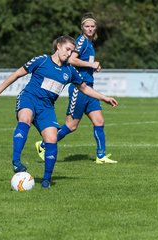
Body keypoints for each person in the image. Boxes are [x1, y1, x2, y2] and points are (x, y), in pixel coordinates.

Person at [0, 35, 118, 188]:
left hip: (47, 107)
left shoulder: (70, 71)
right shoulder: (41, 60)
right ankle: (16, 161)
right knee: (25, 118)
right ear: (58, 46)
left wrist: (104, 97)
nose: (69, 54)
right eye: (67, 49)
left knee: (51, 138)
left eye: (72, 51)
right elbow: (18, 73)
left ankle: (46, 181)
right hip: (29, 98)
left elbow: (84, 88)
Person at [35, 13, 117, 164]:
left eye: (92, 26)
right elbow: (72, 59)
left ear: (96, 27)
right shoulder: (81, 41)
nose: (90, 28)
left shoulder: (89, 44)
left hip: (89, 88)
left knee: (99, 121)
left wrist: (92, 67)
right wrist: (91, 65)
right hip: (80, 89)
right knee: (71, 126)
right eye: (87, 26)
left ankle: (101, 156)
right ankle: (43, 145)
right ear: (82, 27)